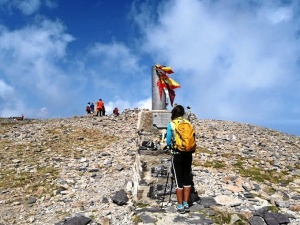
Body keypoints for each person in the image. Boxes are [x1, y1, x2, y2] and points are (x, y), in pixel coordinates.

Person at [166, 105, 193, 214]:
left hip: (177, 153)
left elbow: (168, 141)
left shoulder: (171, 124)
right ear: (182, 113)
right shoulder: (188, 123)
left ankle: (180, 205)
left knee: (178, 181)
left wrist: (169, 146)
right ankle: (186, 203)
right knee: (187, 178)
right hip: (188, 153)